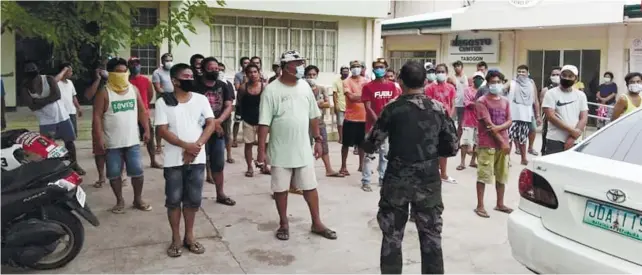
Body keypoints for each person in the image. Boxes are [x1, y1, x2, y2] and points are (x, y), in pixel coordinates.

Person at [362, 60, 457, 274]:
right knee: (431, 235)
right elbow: (452, 147)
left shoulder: (392, 109)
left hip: (397, 179)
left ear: (400, 81)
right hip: (429, 180)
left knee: (392, 235)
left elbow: (372, 143)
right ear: (425, 81)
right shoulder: (438, 109)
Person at [257, 50, 337, 241]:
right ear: (285, 67)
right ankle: (284, 224)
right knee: (281, 189)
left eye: (302, 63)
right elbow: (264, 123)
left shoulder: (304, 87)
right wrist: (261, 152)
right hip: (279, 149)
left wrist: (318, 140)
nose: (301, 67)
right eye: (297, 64)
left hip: (303, 148)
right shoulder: (271, 90)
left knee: (310, 187)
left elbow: (313, 115)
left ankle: (317, 222)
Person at [155, 63, 217, 257]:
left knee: (193, 201)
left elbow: (211, 123)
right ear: (174, 80)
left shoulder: (200, 99)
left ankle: (190, 236)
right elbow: (162, 130)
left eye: (192, 76)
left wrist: (196, 146)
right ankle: (175, 238)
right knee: (173, 200)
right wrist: (185, 145)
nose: (190, 79)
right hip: (174, 161)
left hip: (197, 160)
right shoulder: (163, 102)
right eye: (186, 76)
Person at [92, 57, 151, 214]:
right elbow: (97, 117)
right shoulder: (104, 93)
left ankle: (138, 199)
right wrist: (99, 138)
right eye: (118, 72)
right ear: (110, 73)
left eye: (124, 71)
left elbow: (142, 110)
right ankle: (119, 201)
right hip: (112, 143)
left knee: (137, 172)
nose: (122, 74)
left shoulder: (133, 89)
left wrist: (146, 129)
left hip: (132, 141)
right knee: (114, 174)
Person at [21, 62, 84, 175]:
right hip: (45, 121)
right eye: (30, 77)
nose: (32, 80)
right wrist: (47, 99)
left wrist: (38, 101)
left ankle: (74, 164)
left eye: (34, 76)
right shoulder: (25, 87)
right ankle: (51, 169)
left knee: (69, 142)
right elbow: (32, 106)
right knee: (47, 146)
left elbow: (56, 96)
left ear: (38, 74)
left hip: (62, 116)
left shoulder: (48, 79)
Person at [197, 57, 236, 206]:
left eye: (216, 69)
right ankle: (194, 196)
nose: (215, 71)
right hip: (199, 131)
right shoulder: (195, 86)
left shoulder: (223, 85)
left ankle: (220, 194)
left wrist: (217, 122)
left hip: (218, 131)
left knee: (218, 164)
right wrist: (212, 124)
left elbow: (228, 106)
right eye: (211, 68)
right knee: (198, 164)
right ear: (203, 69)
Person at [473, 70, 512, 218]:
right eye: (492, 82)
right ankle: (480, 205)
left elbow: (510, 120)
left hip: (503, 145)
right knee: (483, 175)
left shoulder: (505, 101)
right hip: (487, 144)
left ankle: (500, 203)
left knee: (502, 175)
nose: (495, 85)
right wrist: (502, 140)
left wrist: (499, 129)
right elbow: (488, 125)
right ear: (488, 83)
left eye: (498, 82)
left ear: (502, 83)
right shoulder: (482, 101)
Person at [359, 58, 400, 192]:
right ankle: (366, 180)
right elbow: (368, 107)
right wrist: (378, 121)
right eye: (376, 67)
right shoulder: (368, 87)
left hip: (388, 126)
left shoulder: (392, 86)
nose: (379, 69)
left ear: (386, 68)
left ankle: (382, 178)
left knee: (385, 154)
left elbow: (394, 104)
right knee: (369, 154)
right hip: (372, 126)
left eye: (381, 67)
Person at [541, 65, 588, 155]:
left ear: (576, 79)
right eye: (564, 75)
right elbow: (551, 116)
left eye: (570, 76)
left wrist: (573, 137)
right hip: (555, 140)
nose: (567, 78)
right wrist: (572, 131)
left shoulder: (581, 95)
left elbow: (584, 118)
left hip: (575, 141)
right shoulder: (550, 93)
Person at [305, 65, 343, 178]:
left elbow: (328, 103)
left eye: (314, 75)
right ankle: (305, 172)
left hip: (319, 121)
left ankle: (329, 169)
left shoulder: (321, 88)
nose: (311, 77)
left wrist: (319, 104)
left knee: (323, 145)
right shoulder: (302, 89)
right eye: (309, 75)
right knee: (306, 146)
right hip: (305, 123)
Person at [424, 63, 456, 184]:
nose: (440, 74)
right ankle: (432, 173)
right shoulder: (429, 88)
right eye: (438, 72)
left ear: (446, 73)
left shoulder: (451, 88)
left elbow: (452, 104)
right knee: (432, 148)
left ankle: (443, 174)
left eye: (442, 71)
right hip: (433, 122)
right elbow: (428, 105)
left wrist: (450, 117)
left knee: (445, 148)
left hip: (446, 121)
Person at [128, 57, 161, 169]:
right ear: (129, 66)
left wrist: (144, 106)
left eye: (137, 64)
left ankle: (153, 161)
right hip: (130, 113)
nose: (135, 66)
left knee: (150, 137)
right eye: (132, 64)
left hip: (144, 113)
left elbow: (150, 94)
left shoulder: (146, 80)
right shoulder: (126, 81)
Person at [239, 63, 271, 177]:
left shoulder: (265, 87)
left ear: (259, 72)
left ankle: (265, 166)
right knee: (249, 144)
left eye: (255, 72)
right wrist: (240, 116)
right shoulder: (243, 88)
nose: (253, 74)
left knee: (265, 144)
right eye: (250, 72)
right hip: (248, 120)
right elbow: (240, 103)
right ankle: (249, 167)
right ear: (246, 74)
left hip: (263, 120)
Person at [506, 65, 541, 165]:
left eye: (523, 72)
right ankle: (507, 159)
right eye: (519, 72)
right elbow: (502, 90)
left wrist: (538, 115)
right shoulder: (512, 83)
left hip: (526, 116)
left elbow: (535, 100)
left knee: (523, 138)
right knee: (509, 137)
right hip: (512, 116)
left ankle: (524, 158)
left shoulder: (531, 83)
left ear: (527, 73)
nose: (521, 74)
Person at [339, 60, 368, 176]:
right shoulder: (346, 82)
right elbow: (350, 97)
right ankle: (343, 166)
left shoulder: (366, 81)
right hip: (350, 118)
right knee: (346, 144)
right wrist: (363, 97)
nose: (356, 68)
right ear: (350, 69)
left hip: (364, 117)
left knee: (362, 144)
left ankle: (362, 166)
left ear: (361, 68)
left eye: (358, 66)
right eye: (354, 67)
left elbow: (367, 97)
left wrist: (359, 97)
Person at [457, 71, 483, 171]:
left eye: (481, 78)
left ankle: (473, 161)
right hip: (468, 120)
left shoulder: (484, 91)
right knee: (465, 142)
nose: (478, 80)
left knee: (477, 142)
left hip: (480, 120)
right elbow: (467, 103)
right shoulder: (468, 90)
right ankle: (462, 162)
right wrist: (478, 104)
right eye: (477, 78)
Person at [153, 53, 175, 154]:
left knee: (174, 122)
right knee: (161, 123)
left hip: (175, 99)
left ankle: (174, 142)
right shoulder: (157, 72)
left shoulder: (174, 71)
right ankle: (158, 145)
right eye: (167, 60)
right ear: (162, 62)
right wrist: (168, 95)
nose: (169, 62)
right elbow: (158, 88)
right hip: (163, 100)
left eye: (171, 60)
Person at [54, 63, 82, 139]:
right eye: (69, 71)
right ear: (64, 71)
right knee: (59, 137)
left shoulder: (70, 82)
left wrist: (78, 108)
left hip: (71, 112)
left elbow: (74, 96)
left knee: (72, 136)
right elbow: (54, 81)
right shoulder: (57, 82)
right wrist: (64, 70)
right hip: (60, 113)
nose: (71, 73)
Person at [539, 66, 561, 154]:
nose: (555, 76)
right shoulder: (545, 90)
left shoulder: (567, 90)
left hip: (563, 120)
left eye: (558, 74)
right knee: (546, 142)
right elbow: (543, 106)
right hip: (548, 121)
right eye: (553, 74)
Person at [217, 62, 236, 165]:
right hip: (213, 116)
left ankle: (229, 154)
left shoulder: (228, 84)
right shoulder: (211, 83)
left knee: (227, 135)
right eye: (218, 69)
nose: (220, 72)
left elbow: (231, 98)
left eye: (222, 70)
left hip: (225, 114)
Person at [232, 56, 251, 148]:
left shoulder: (253, 74)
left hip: (251, 102)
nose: (247, 64)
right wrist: (244, 82)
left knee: (251, 122)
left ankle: (250, 139)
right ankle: (234, 139)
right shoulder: (238, 75)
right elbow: (237, 88)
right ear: (241, 64)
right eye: (245, 63)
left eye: (248, 62)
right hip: (241, 102)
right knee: (237, 121)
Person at [332, 66, 350, 144]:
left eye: (347, 71)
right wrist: (335, 105)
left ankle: (348, 138)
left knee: (349, 124)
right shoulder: (336, 82)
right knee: (340, 123)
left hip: (350, 106)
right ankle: (341, 138)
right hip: (340, 105)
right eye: (344, 71)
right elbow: (334, 94)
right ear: (341, 72)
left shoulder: (350, 81)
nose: (345, 73)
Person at [452, 61, 468, 132]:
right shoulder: (452, 78)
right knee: (453, 123)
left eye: (458, 66)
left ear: (462, 67)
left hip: (463, 104)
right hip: (454, 104)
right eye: (455, 66)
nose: (456, 68)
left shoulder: (465, 78)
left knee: (461, 124)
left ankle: (459, 141)